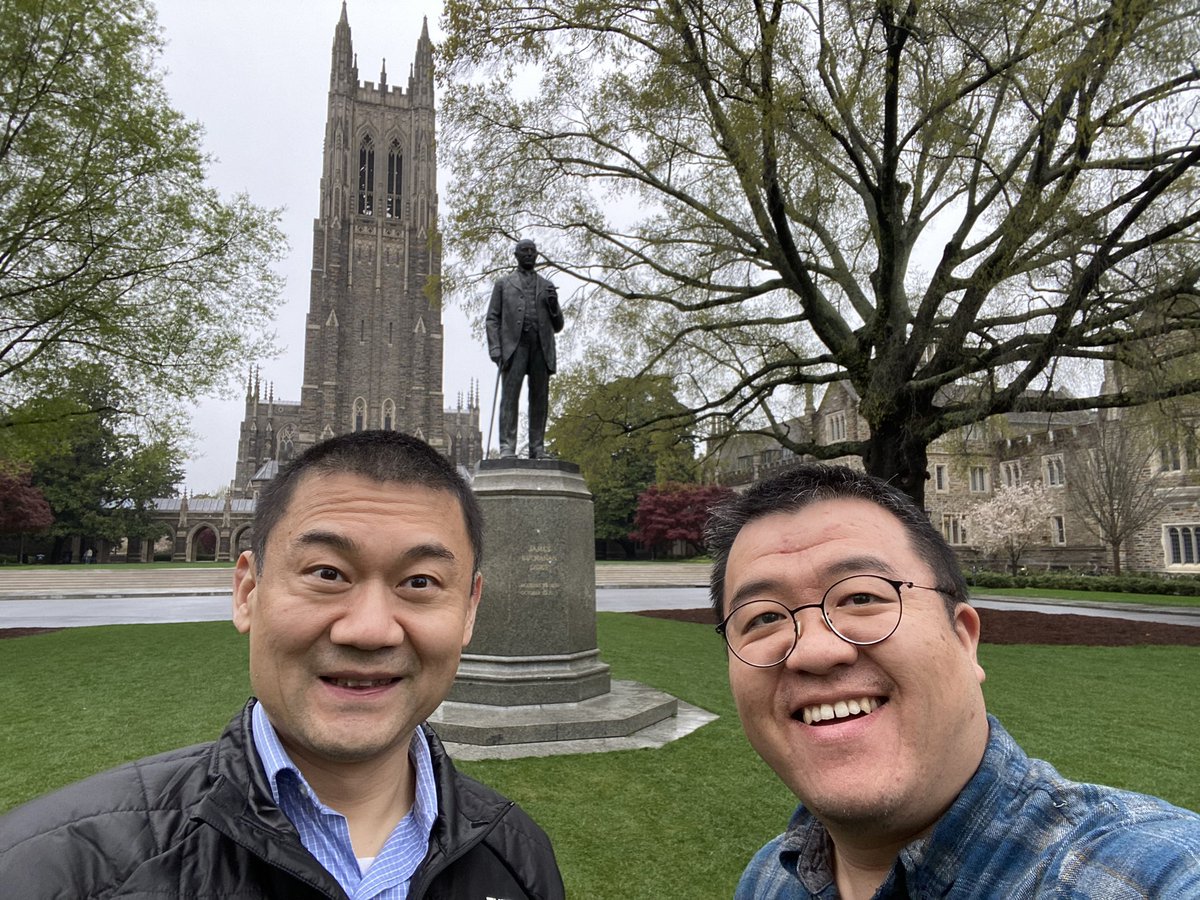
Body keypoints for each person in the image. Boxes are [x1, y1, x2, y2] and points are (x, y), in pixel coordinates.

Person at [0, 430, 565, 899]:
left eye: (420, 582)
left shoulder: (518, 855)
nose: (368, 630)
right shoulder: (52, 869)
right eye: (326, 573)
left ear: (468, 611)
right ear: (247, 590)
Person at [706, 463, 1200, 899]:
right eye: (764, 617)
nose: (814, 650)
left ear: (964, 639)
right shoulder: (769, 879)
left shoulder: (1147, 876)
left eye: (861, 597)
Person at [486, 238, 563, 459]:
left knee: (539, 398)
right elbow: (492, 318)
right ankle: (507, 446)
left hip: (541, 346)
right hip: (514, 346)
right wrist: (495, 348)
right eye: (524, 251)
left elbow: (558, 325)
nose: (529, 254)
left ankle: (537, 446)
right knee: (510, 397)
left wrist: (553, 305)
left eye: (532, 251)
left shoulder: (547, 286)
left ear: (537, 255)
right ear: (516, 255)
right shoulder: (503, 284)